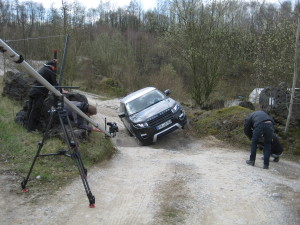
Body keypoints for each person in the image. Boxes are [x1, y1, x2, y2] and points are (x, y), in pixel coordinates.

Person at [26, 60, 60, 131]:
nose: (55, 69)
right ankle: (30, 129)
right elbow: (55, 83)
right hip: (39, 92)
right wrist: (61, 91)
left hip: (33, 90)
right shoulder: (49, 71)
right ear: (52, 66)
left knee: (30, 109)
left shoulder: (42, 69)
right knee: (35, 110)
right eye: (54, 67)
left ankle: (27, 125)